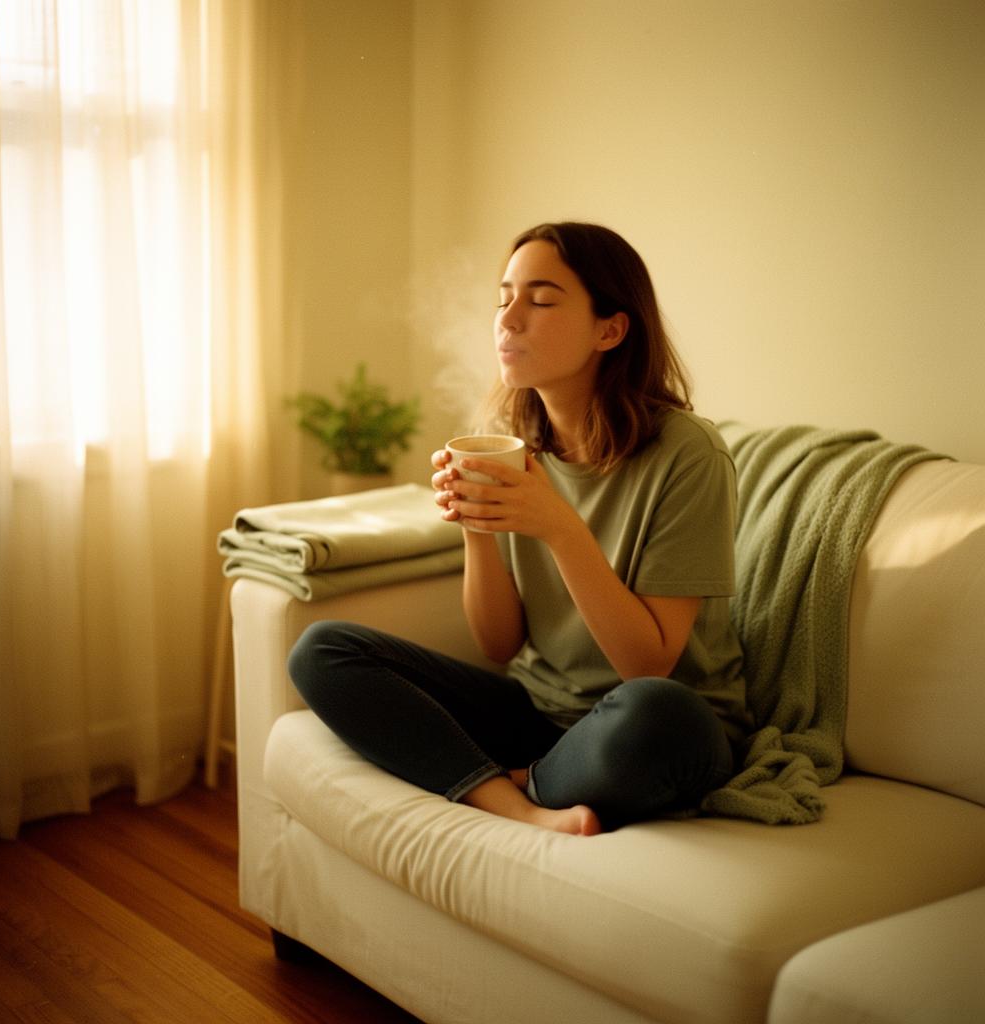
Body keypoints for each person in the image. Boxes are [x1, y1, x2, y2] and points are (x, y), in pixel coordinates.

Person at [288, 222, 749, 835]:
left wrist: (560, 528)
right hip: (542, 712)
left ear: (609, 330)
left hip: (646, 717)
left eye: (540, 299)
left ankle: (514, 782)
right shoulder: (518, 447)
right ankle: (516, 803)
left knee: (662, 716)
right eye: (503, 298)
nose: (508, 319)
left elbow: (648, 665)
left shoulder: (688, 453)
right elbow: (499, 645)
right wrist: (473, 524)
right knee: (324, 651)